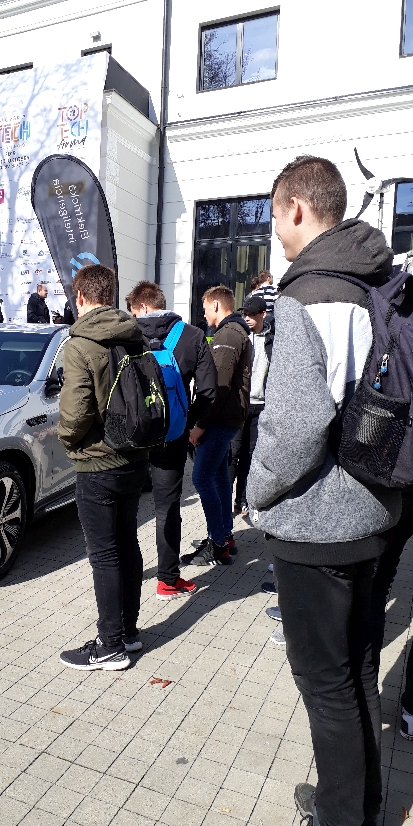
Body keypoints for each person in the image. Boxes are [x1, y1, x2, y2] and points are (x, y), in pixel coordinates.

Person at [246, 156, 401, 826]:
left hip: (317, 525)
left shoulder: (307, 295)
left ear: (297, 208)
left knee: (325, 685)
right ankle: (358, 804)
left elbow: (295, 425)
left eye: (274, 218)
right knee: (357, 672)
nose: (275, 233)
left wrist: (255, 492)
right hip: (375, 510)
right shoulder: (373, 283)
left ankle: (342, 817)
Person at [57, 264, 149, 670]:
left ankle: (109, 645)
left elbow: (76, 413)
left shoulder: (80, 344)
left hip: (97, 463)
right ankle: (128, 633)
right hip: (135, 456)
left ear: (80, 297)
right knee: (127, 544)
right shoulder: (135, 335)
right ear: (110, 295)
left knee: (104, 554)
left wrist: (66, 439)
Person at [127, 280, 217, 600]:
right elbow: (208, 391)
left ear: (143, 307)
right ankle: (167, 580)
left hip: (132, 436)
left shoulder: (125, 335)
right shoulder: (193, 336)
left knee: (126, 505)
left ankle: (126, 572)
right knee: (167, 506)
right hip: (172, 435)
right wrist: (192, 424)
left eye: (133, 311)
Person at [181, 286, 250, 567]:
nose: (204, 314)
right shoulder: (230, 332)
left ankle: (217, 545)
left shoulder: (229, 335)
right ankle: (224, 536)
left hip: (220, 420)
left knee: (201, 478)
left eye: (206, 308)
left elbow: (219, 387)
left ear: (217, 306)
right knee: (220, 476)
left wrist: (200, 425)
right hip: (225, 418)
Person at [370, 492, 413, 740]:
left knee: (374, 588)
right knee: (374, 588)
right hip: (396, 490)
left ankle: (364, 696)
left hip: (394, 488)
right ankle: (412, 711)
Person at [229, 294, 273, 516]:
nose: (247, 318)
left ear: (263, 314)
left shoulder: (273, 339)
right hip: (239, 405)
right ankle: (224, 500)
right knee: (232, 454)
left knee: (251, 455)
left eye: (252, 314)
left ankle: (243, 500)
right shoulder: (240, 335)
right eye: (245, 314)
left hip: (261, 406)